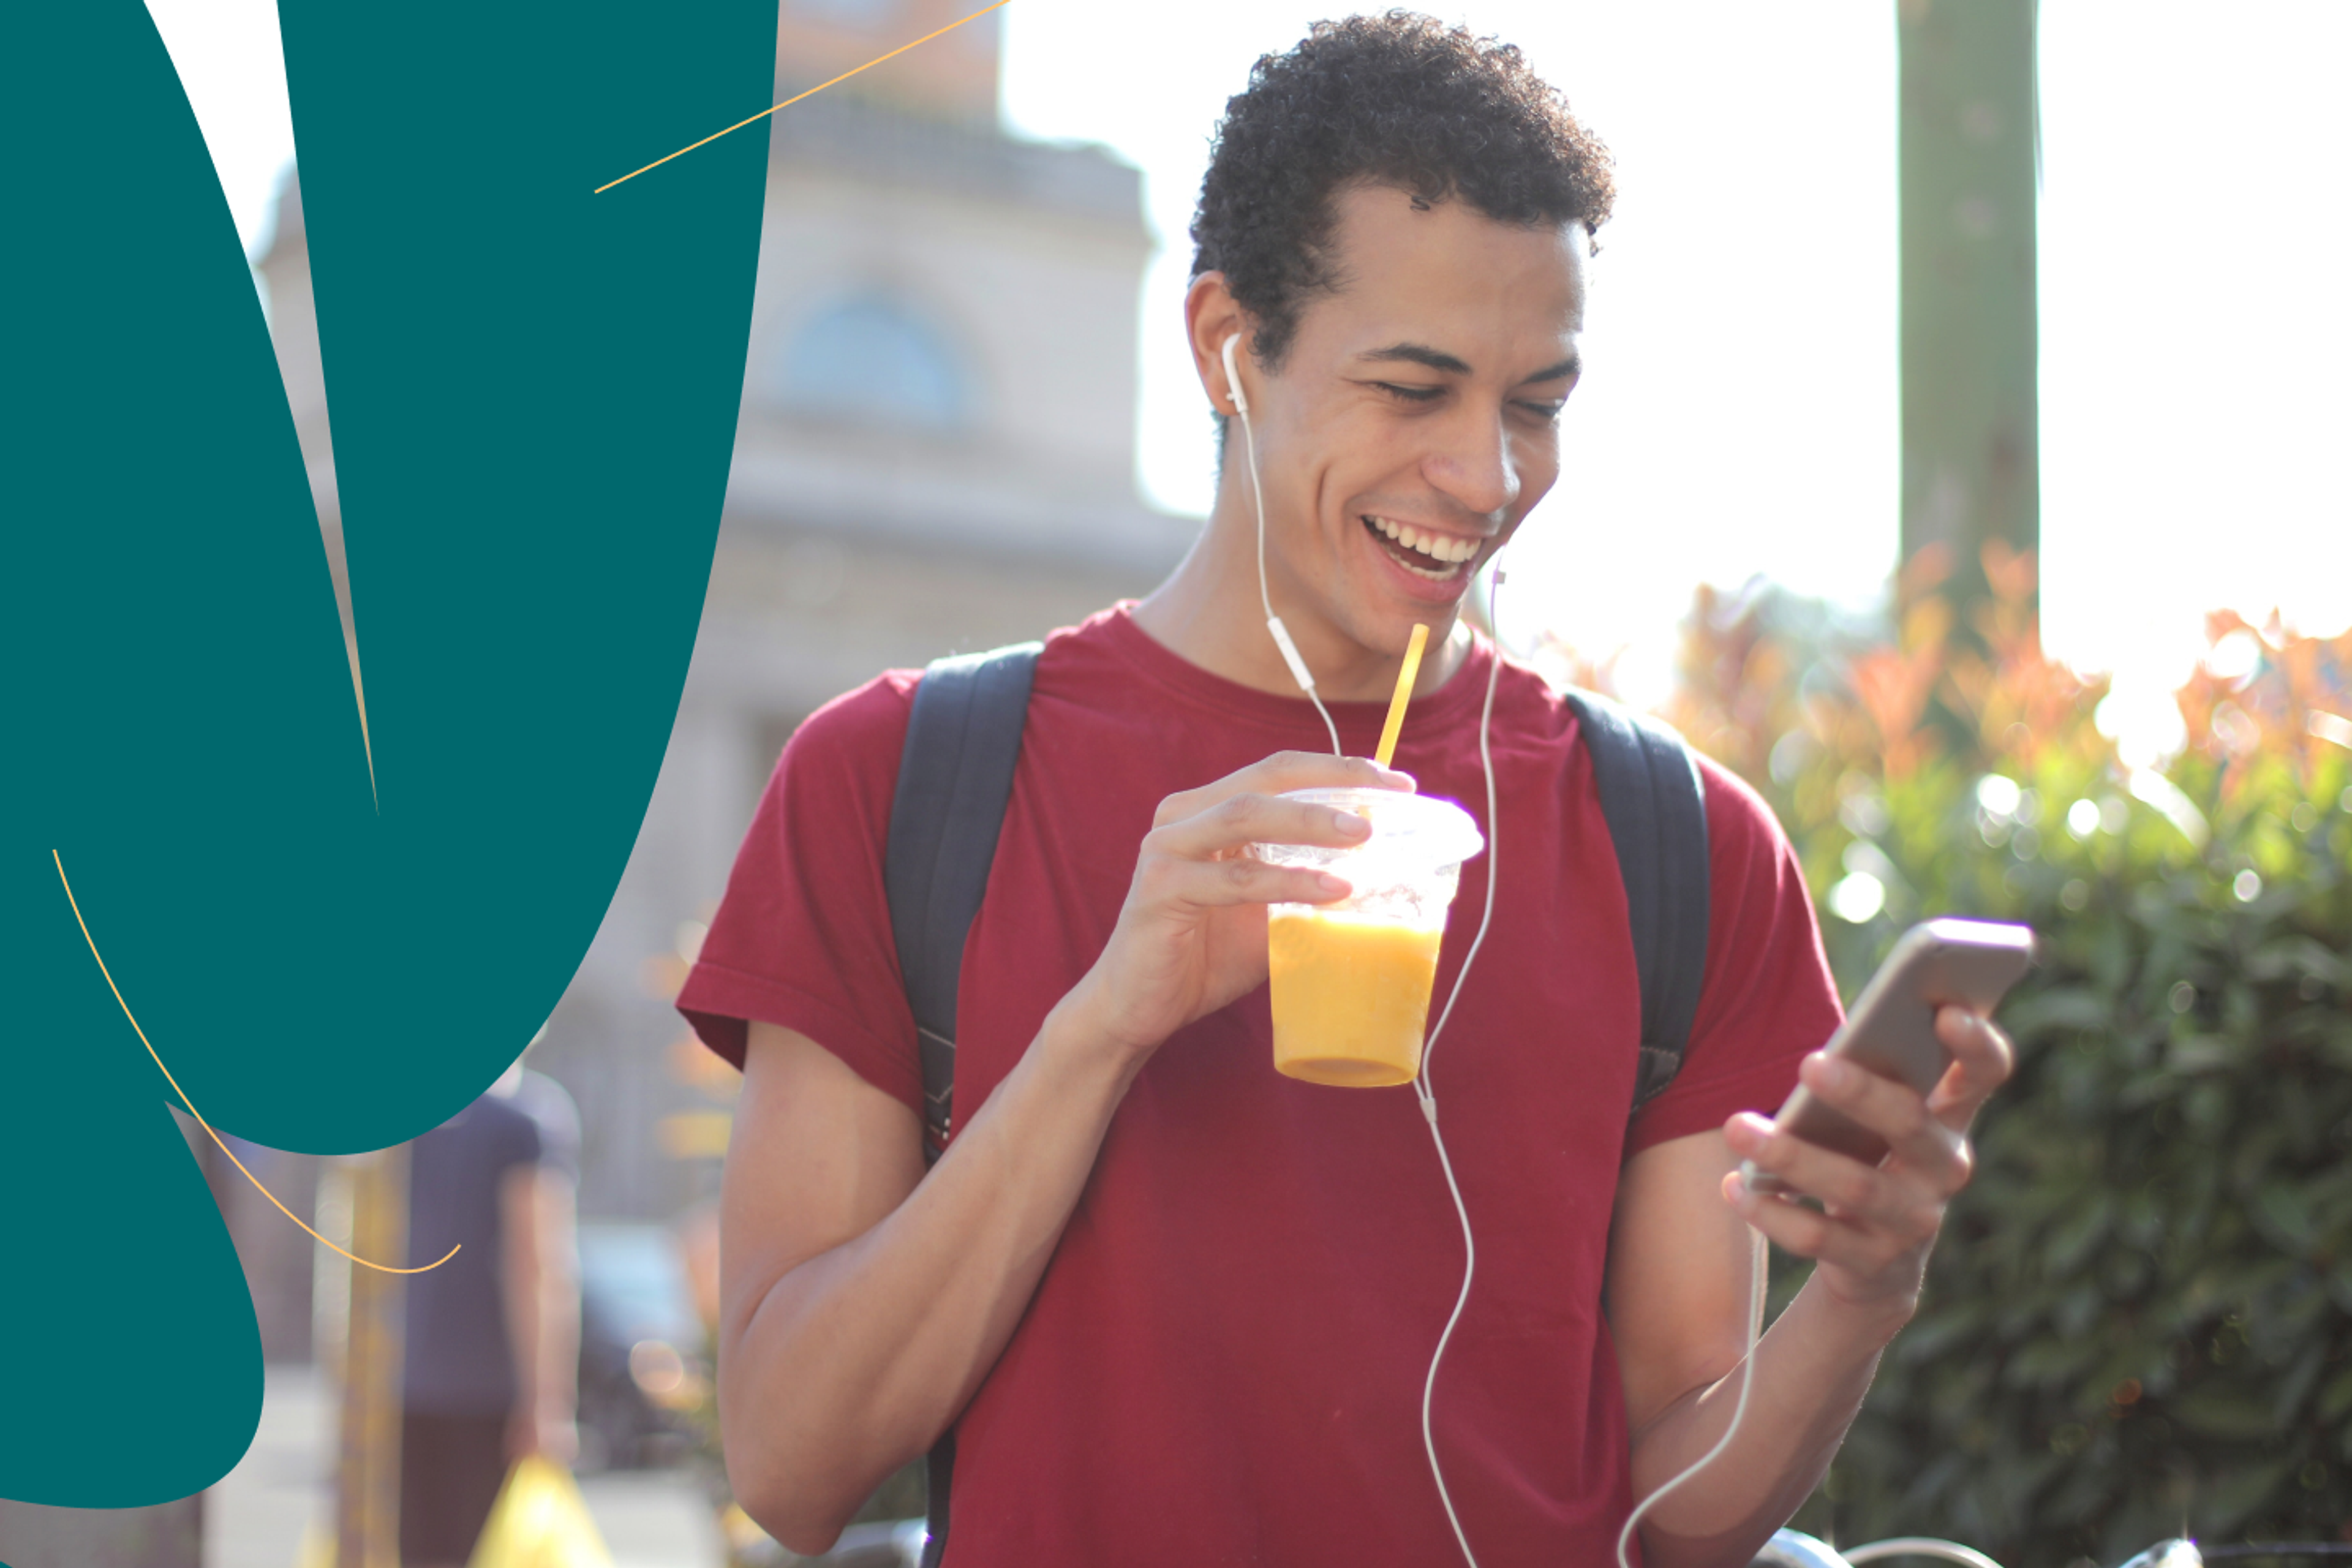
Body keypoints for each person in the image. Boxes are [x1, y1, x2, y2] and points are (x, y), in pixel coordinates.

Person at [676, 15, 2013, 1567]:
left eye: (1535, 401)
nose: (1485, 476)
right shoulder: (900, 779)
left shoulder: (1684, 848)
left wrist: (1860, 1291)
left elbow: (1666, 1512)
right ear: (1225, 346)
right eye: (1412, 387)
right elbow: (791, 1457)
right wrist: (1105, 1019)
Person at [398, 1062, 582, 1568]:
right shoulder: (527, 1118)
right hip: (487, 1387)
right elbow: (538, 1261)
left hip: (400, 1379)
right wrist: (548, 1400)